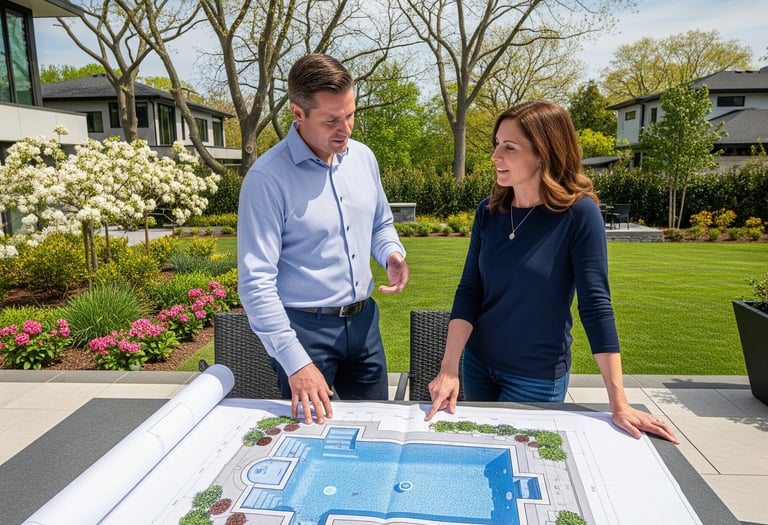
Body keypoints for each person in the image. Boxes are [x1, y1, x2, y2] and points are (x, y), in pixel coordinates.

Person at [425, 100, 678, 444]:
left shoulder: (579, 214)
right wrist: (449, 368)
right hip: (477, 366)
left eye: (509, 147)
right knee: (483, 456)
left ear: (544, 154)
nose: (495, 156)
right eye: (496, 144)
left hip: (535, 377)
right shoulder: (489, 211)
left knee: (522, 464)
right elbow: (470, 290)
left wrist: (619, 402)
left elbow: (596, 306)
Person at [237, 53, 409, 424]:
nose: (345, 128)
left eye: (350, 114)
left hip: (364, 327)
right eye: (331, 120)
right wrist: (296, 362)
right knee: (309, 440)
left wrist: (391, 254)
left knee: (376, 427)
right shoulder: (267, 179)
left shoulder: (364, 158)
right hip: (304, 331)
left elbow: (380, 224)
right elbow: (255, 284)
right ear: (298, 114)